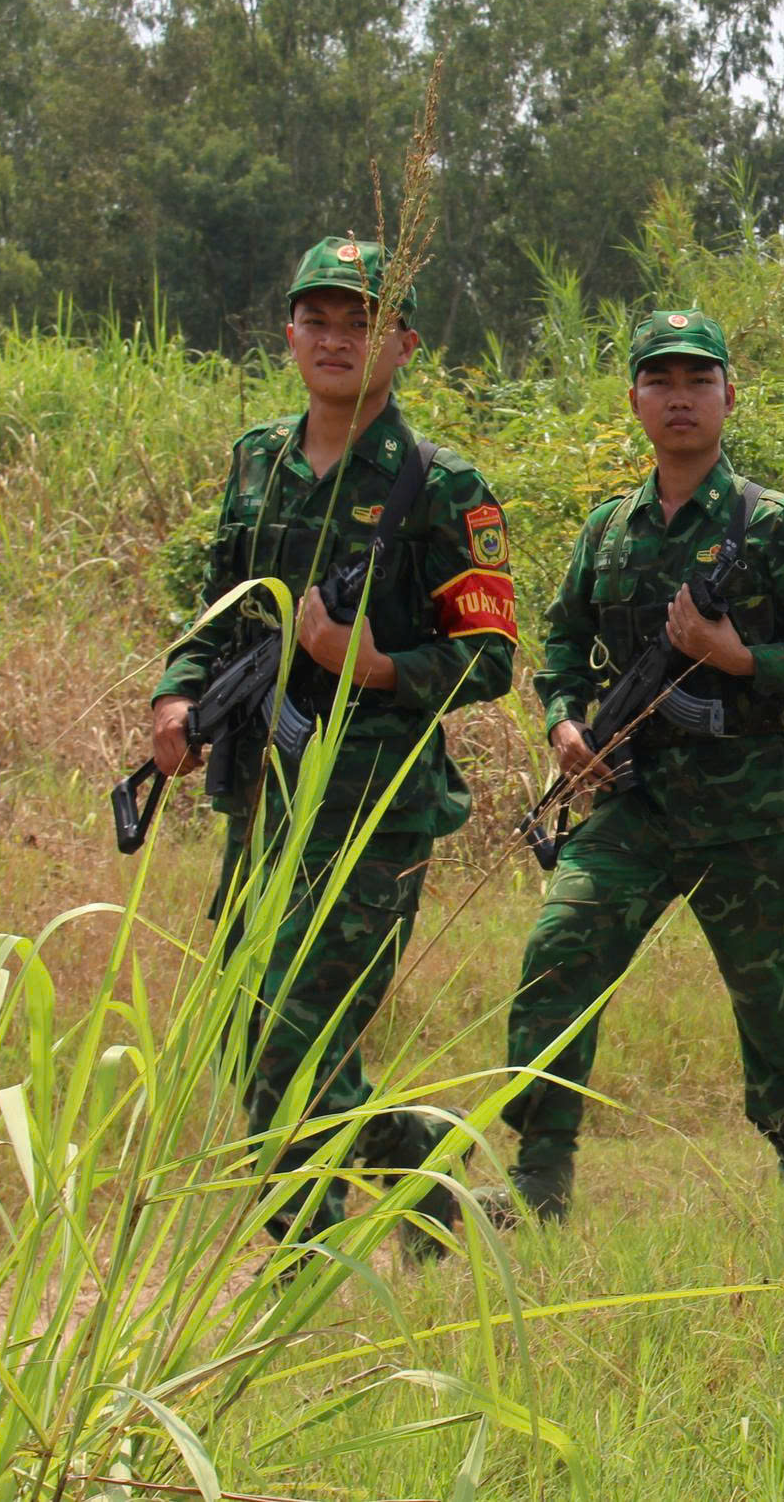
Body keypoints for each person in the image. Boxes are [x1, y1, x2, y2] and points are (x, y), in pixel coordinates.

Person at [147, 235, 517, 1260]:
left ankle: (299, 1262)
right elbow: (218, 610)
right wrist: (179, 696)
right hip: (262, 793)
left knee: (293, 1031)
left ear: (403, 344)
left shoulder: (440, 484)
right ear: (289, 333)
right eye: (319, 319)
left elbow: (489, 657)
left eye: (363, 322)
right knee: (247, 1027)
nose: (337, 339)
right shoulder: (258, 461)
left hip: (371, 810)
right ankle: (423, 1163)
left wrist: (371, 664)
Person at [499, 311, 784, 1216]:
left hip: (749, 811)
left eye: (698, 380)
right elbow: (559, 644)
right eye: (660, 380)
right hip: (632, 805)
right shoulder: (608, 530)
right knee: (559, 953)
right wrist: (564, 724)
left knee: (774, 1000)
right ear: (634, 399)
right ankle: (540, 1173)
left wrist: (741, 658)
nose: (679, 398)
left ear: (728, 397)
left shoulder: (777, 525)